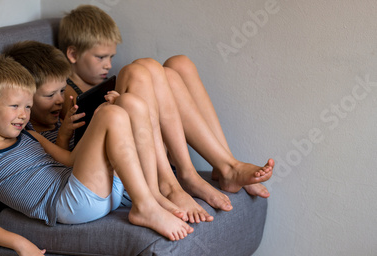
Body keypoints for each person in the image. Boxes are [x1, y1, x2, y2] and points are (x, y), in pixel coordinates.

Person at [0, 56, 194, 256]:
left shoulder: (30, 136)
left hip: (98, 191)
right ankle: (145, 206)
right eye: (15, 106)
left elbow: (71, 160)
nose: (23, 115)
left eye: (27, 107)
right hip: (69, 204)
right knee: (110, 115)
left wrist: (104, 115)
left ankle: (151, 195)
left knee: (123, 105)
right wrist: (20, 243)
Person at [58, 5, 274, 208]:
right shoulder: (66, 92)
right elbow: (87, 139)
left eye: (111, 57)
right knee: (138, 71)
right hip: (125, 158)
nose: (108, 64)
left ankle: (225, 164)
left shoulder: (99, 84)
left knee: (178, 65)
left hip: (147, 141)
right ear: (73, 55)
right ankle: (185, 177)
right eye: (100, 57)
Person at [3, 40, 212, 223]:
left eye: (61, 91)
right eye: (49, 95)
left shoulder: (60, 115)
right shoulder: (27, 133)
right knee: (128, 92)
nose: (59, 100)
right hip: (100, 178)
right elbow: (64, 164)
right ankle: (162, 188)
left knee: (141, 81)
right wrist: (70, 133)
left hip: (118, 162)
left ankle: (185, 178)